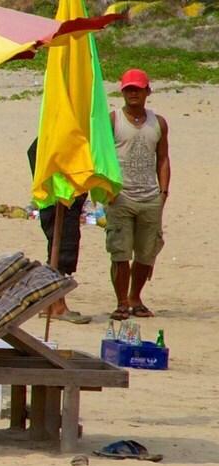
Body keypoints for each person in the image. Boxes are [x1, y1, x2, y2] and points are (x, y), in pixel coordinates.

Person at [105, 69, 170, 321]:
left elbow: (163, 158)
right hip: (121, 197)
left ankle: (136, 298)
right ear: (121, 91)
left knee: (146, 252)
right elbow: (101, 157)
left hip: (151, 197)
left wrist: (163, 193)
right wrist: (108, 191)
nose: (133, 93)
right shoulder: (113, 120)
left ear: (147, 92)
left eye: (138, 88)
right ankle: (122, 302)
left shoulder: (158, 122)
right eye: (128, 88)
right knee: (120, 253)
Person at [26, 139, 87, 323]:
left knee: (57, 247)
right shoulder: (58, 135)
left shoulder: (59, 133)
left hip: (59, 198)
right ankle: (58, 305)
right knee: (62, 249)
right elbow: (33, 152)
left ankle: (49, 304)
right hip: (59, 199)